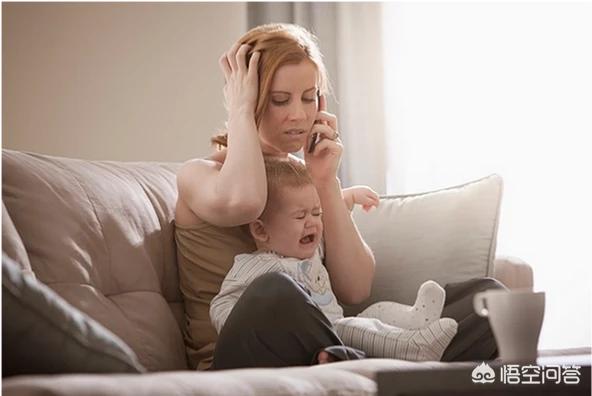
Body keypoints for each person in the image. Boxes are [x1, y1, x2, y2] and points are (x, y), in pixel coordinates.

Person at [174, 22, 505, 370]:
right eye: (279, 100)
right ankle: (372, 360)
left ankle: (373, 363)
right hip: (237, 356)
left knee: (489, 300)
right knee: (274, 290)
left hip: (325, 337)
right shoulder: (199, 175)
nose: (299, 115)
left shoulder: (306, 178)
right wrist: (239, 110)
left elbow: (355, 290)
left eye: (308, 97)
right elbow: (247, 202)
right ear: (249, 95)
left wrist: (325, 181)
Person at [210, 158, 459, 364]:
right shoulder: (258, 264)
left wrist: (347, 198)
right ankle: (413, 347)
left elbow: (333, 217)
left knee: (374, 312)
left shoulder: (313, 249)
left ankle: (416, 321)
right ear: (262, 231)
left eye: (316, 213)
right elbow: (221, 304)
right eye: (300, 216)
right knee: (349, 326)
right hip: (331, 332)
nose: (313, 222)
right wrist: (250, 321)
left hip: (339, 330)